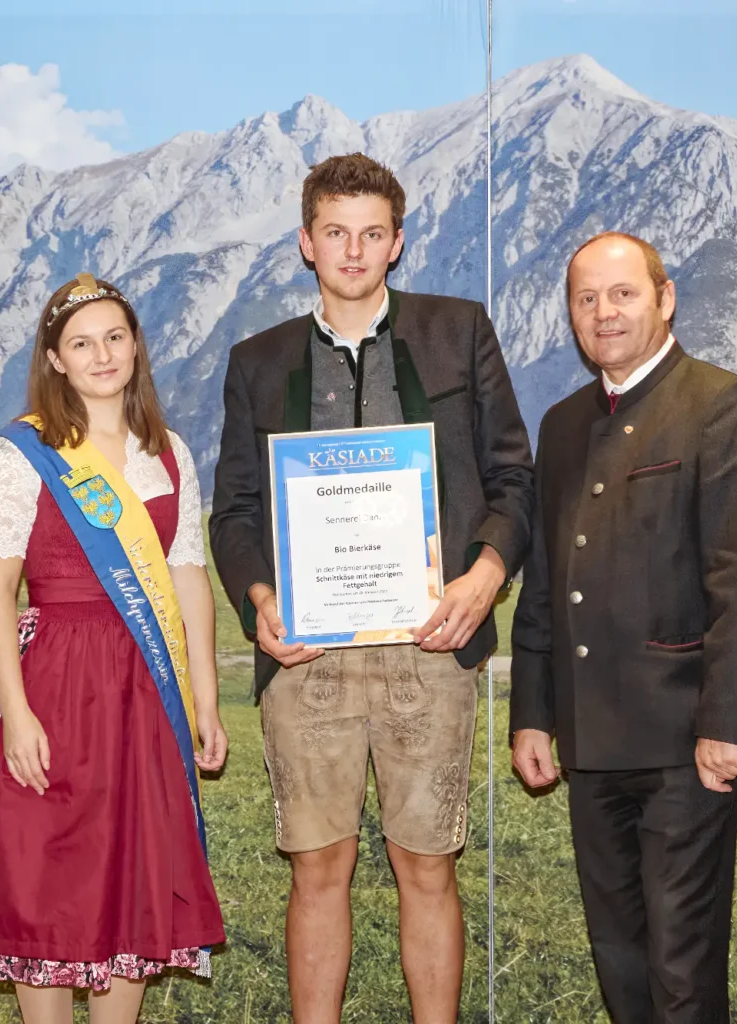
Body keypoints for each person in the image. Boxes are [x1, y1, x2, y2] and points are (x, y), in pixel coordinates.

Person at [209, 153, 533, 1023]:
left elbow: (514, 478)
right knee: (318, 870)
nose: (354, 250)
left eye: (372, 234)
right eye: (335, 233)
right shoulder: (257, 359)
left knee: (427, 867)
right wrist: (259, 599)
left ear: (397, 242)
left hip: (431, 648)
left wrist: (486, 573)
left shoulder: (459, 329)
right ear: (307, 243)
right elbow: (234, 512)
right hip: (308, 655)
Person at [509, 232, 737, 1023]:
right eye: (586, 298)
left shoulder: (722, 403)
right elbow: (544, 583)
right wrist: (532, 711)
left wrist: (728, 720)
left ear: (665, 299)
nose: (604, 312)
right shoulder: (563, 424)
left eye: (623, 293)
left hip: (685, 744)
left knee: (681, 967)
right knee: (620, 961)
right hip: (590, 744)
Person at [0, 273, 228, 1024]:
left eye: (115, 337)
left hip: (146, 693)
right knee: (46, 876)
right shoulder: (24, 452)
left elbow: (189, 583)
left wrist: (205, 699)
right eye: (81, 343)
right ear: (55, 359)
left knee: (130, 873)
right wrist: (14, 712)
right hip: (53, 682)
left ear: (137, 346)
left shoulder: (168, 452)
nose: (102, 354)